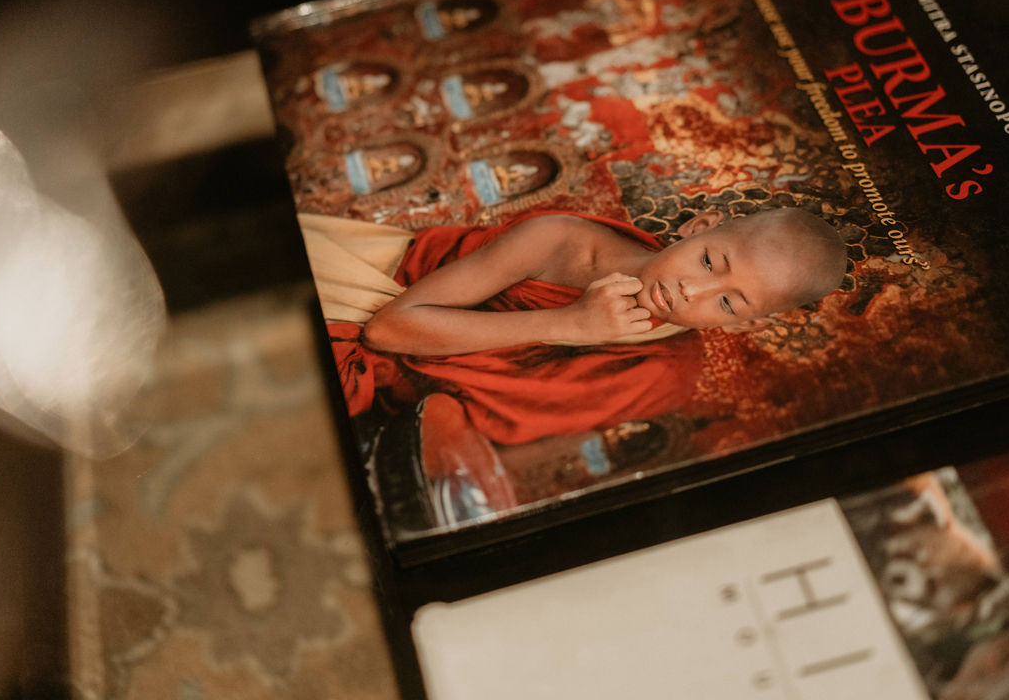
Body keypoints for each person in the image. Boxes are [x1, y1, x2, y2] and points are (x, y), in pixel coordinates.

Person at [299, 206, 846, 522]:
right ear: (699, 225)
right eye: (709, 260)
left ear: (746, 324)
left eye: (727, 303)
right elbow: (388, 329)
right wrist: (570, 324)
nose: (691, 291)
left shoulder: (666, 371)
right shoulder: (562, 241)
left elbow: (524, 445)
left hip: (423, 411)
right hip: (378, 296)